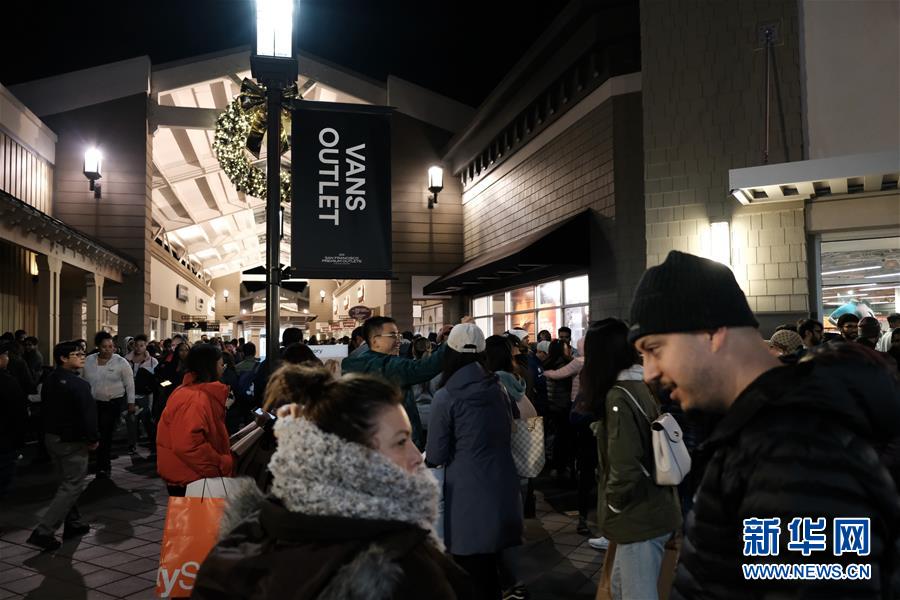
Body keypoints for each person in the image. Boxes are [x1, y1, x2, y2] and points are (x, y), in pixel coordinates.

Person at [629, 250, 900, 598]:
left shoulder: (794, 452)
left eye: (655, 349)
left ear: (711, 332)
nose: (649, 372)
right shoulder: (764, 433)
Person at [193, 367, 471, 600]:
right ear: (350, 457)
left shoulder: (244, 539)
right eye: (400, 441)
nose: (416, 456)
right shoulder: (401, 566)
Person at [582, 319, 682, 599]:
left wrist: (612, 506)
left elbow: (625, 467)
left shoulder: (618, 397)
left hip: (639, 517)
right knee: (620, 588)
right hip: (654, 506)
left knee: (636, 593)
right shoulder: (640, 385)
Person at [426, 324, 523, 600]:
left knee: (470, 575)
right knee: (492, 570)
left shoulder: (445, 396)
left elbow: (435, 454)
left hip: (466, 495)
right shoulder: (499, 389)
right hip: (504, 486)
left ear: (450, 352)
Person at [26, 341, 98, 551]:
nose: (82, 357)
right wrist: (93, 438)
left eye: (83, 353)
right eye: (77, 354)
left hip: (52, 438)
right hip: (72, 441)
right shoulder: (79, 385)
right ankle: (44, 531)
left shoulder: (50, 379)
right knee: (72, 485)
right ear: (63, 358)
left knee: (65, 482)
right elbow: (88, 416)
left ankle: (73, 522)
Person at [342, 317, 448, 450]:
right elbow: (423, 368)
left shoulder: (354, 363)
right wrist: (454, 343)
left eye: (399, 335)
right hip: (396, 441)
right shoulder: (386, 365)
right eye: (392, 335)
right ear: (375, 340)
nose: (398, 340)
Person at [156, 344, 234, 496]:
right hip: (192, 479)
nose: (222, 368)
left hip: (190, 476)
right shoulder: (195, 398)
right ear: (210, 367)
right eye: (220, 364)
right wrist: (220, 464)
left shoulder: (193, 392)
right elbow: (188, 445)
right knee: (196, 513)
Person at [82, 331, 134, 478]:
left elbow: (129, 384)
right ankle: (95, 459)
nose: (108, 350)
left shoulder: (121, 362)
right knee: (93, 432)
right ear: (98, 347)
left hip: (112, 403)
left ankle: (103, 465)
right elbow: (81, 380)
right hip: (92, 403)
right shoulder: (88, 361)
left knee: (105, 433)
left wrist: (131, 403)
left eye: (110, 346)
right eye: (104, 347)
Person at [0, 341, 28, 499]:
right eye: (5, 355)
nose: (7, 358)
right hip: (5, 435)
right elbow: (18, 412)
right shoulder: (7, 381)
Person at [125, 334, 158, 453]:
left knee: (147, 419)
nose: (138, 348)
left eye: (141, 345)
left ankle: (153, 442)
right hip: (130, 395)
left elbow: (156, 378)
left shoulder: (152, 361)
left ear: (146, 346)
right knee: (131, 420)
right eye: (136, 345)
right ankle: (132, 444)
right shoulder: (126, 359)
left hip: (145, 395)